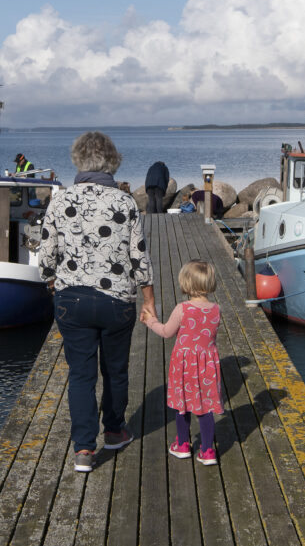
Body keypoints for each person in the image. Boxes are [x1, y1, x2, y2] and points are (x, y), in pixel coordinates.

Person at [38, 131, 156, 473]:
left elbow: (46, 256)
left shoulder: (60, 201)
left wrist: (53, 283)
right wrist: (148, 301)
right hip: (117, 300)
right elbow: (140, 259)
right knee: (115, 370)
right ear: (112, 161)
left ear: (78, 160)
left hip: (71, 299)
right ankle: (115, 430)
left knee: (81, 374)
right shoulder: (125, 202)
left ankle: (84, 451)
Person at [142, 259, 223, 466]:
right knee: (204, 408)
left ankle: (183, 445)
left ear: (187, 283)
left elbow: (167, 332)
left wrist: (150, 320)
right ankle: (207, 451)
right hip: (207, 365)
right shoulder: (216, 309)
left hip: (184, 365)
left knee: (182, 405)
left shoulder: (182, 308)